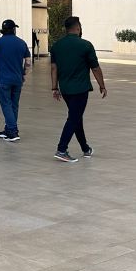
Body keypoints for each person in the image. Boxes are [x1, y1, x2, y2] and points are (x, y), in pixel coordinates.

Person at [49, 16, 106, 162]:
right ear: (78, 28)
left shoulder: (56, 46)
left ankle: (85, 148)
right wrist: (102, 85)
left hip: (66, 89)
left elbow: (54, 68)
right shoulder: (86, 45)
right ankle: (62, 149)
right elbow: (95, 68)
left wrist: (54, 87)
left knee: (76, 117)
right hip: (80, 89)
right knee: (74, 118)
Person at [0, 19, 30, 142]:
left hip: (4, 79)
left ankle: (12, 131)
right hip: (17, 79)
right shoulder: (22, 43)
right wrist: (24, 74)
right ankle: (8, 129)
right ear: (13, 29)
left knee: (6, 104)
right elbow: (28, 62)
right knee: (14, 105)